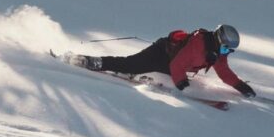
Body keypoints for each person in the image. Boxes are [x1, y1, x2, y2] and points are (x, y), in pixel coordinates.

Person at [70, 24, 256, 98]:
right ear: (218, 41)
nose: (225, 53)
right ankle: (88, 62)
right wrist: (184, 86)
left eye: (228, 51)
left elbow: (224, 72)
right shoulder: (198, 45)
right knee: (129, 64)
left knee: (147, 71)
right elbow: (177, 65)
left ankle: (146, 76)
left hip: (171, 63)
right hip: (160, 54)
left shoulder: (216, 53)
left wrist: (240, 86)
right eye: (225, 48)